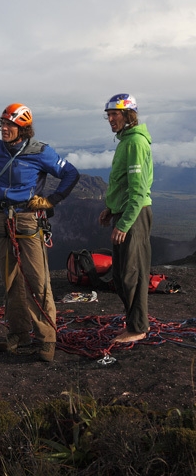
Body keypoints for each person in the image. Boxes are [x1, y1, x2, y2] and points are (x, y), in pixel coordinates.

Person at [0, 103, 79, 362]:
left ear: (23, 129)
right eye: (3, 124)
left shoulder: (40, 152)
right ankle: (19, 333)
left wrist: (52, 199)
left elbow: (70, 173)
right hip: (0, 218)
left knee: (37, 280)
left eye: (10, 125)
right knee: (11, 280)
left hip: (28, 221)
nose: (4, 129)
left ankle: (46, 340)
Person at [98, 93, 153, 343]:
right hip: (126, 212)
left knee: (133, 273)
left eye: (115, 114)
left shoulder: (135, 143)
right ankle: (134, 323)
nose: (110, 119)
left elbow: (138, 189)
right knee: (120, 275)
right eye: (108, 115)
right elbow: (123, 183)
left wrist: (125, 222)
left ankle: (138, 328)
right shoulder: (125, 141)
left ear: (129, 115)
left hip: (135, 214)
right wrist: (111, 209)